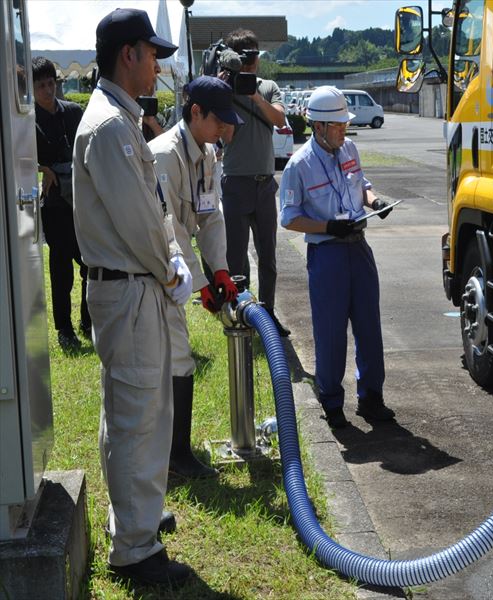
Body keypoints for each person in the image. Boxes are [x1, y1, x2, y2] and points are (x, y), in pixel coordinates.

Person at [71, 8, 194, 587]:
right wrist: (169, 268)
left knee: (134, 411)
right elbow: (141, 221)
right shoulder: (110, 127)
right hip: (130, 287)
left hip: (132, 287)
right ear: (129, 55)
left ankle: (136, 520)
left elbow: (151, 212)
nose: (156, 68)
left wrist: (169, 260)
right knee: (137, 414)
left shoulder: (118, 119)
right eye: (151, 56)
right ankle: (135, 550)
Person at [279, 86, 395, 429]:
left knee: (369, 327)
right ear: (318, 127)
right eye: (339, 126)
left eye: (345, 125)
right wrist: (327, 226)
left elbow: (362, 184)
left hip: (358, 247)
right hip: (326, 253)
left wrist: (375, 202)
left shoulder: (350, 149)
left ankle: (371, 397)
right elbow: (288, 217)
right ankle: (331, 402)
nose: (345, 131)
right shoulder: (299, 165)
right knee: (330, 333)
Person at [149, 76, 241, 479]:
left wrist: (218, 266)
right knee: (177, 357)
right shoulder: (164, 155)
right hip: (156, 268)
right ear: (195, 113)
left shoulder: (207, 154)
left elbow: (210, 214)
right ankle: (175, 456)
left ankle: (171, 452)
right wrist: (203, 285)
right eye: (217, 119)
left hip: (177, 270)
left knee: (172, 356)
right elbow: (171, 229)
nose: (223, 128)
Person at [219, 28, 290, 336]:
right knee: (236, 257)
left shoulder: (269, 86)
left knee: (268, 257)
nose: (252, 62)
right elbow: (223, 134)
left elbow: (279, 119)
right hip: (235, 181)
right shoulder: (224, 88)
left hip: (264, 184)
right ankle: (240, 313)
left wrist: (252, 95)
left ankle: (269, 313)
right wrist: (225, 89)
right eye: (246, 57)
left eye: (255, 56)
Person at [32, 56, 91, 350]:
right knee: (60, 270)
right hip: (53, 205)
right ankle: (64, 329)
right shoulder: (27, 120)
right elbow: (21, 158)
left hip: (80, 201)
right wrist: (43, 169)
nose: (47, 90)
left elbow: (86, 150)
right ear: (32, 87)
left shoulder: (73, 112)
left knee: (90, 263)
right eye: (41, 85)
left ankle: (88, 320)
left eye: (51, 83)